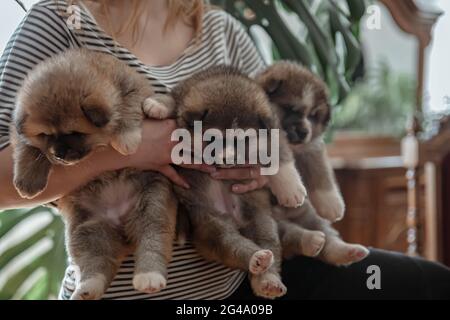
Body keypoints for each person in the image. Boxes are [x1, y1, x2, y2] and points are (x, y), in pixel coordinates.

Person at [0, 0, 449, 300]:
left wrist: (260, 166)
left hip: (241, 281)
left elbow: (274, 135)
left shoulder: (220, 28)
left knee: (425, 284)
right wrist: (138, 151)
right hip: (119, 287)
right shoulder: (57, 22)